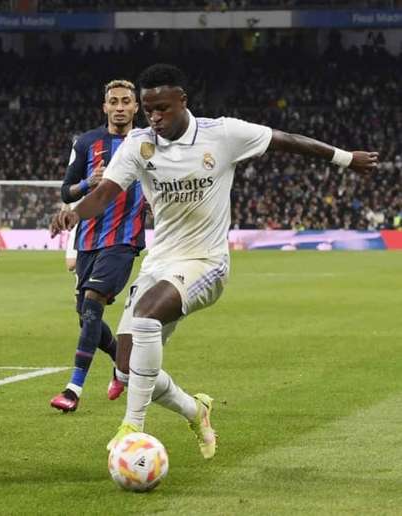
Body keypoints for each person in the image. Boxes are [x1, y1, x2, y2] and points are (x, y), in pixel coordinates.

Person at [51, 63, 378, 458]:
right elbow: (105, 193)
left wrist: (345, 159)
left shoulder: (221, 134)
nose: (154, 117)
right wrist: (75, 212)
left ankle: (131, 429)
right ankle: (195, 410)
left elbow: (285, 140)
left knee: (146, 316)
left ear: (183, 102)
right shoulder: (140, 145)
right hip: (160, 262)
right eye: (149, 109)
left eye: (163, 108)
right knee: (129, 368)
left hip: (206, 262)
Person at [49, 80, 147, 413]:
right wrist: (87, 183)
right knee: (86, 317)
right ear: (104, 107)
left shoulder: (151, 143)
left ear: (136, 107)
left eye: (126, 102)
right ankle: (122, 366)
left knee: (92, 304)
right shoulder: (87, 142)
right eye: (114, 101)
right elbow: (66, 192)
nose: (120, 107)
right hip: (88, 240)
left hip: (123, 240)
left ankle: (73, 389)